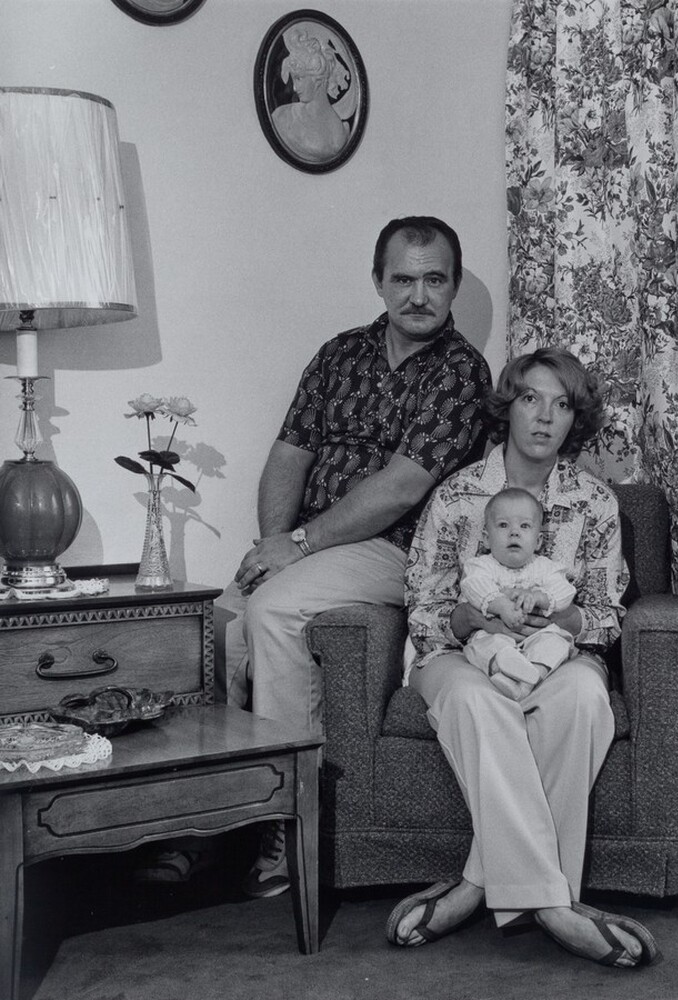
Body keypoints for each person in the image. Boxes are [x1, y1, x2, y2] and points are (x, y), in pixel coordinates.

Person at [134, 216, 491, 895]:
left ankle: (287, 827)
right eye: (403, 279)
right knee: (210, 632)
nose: (418, 295)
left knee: (272, 613)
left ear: (452, 287)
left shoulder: (461, 372)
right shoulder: (340, 354)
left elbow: (402, 487)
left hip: (396, 548)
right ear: (378, 280)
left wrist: (297, 546)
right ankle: (203, 821)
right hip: (309, 543)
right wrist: (275, 542)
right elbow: (288, 456)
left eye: (434, 280)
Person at [387, 348, 660, 968]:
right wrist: (480, 619)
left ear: (574, 420)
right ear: (508, 407)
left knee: (584, 697)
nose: (544, 417)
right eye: (531, 399)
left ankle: (476, 884)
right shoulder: (457, 495)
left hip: (556, 654)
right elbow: (424, 610)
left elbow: (604, 614)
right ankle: (557, 907)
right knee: (475, 701)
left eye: (561, 405)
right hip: (458, 654)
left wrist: (554, 618)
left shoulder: (594, 502)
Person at [459, 486, 576, 700]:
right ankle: (502, 667)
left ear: (538, 541)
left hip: (537, 635)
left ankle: (530, 678)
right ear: (486, 539)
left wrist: (539, 598)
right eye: (503, 525)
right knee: (480, 645)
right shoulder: (481, 566)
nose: (514, 532)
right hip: (494, 633)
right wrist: (501, 605)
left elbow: (565, 591)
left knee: (556, 642)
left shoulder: (545, 567)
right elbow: (473, 586)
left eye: (524, 526)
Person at [271, 29, 350, 162]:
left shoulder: (338, 135)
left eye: (299, 78)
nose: (295, 88)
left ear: (318, 78)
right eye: (294, 79)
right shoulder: (282, 116)